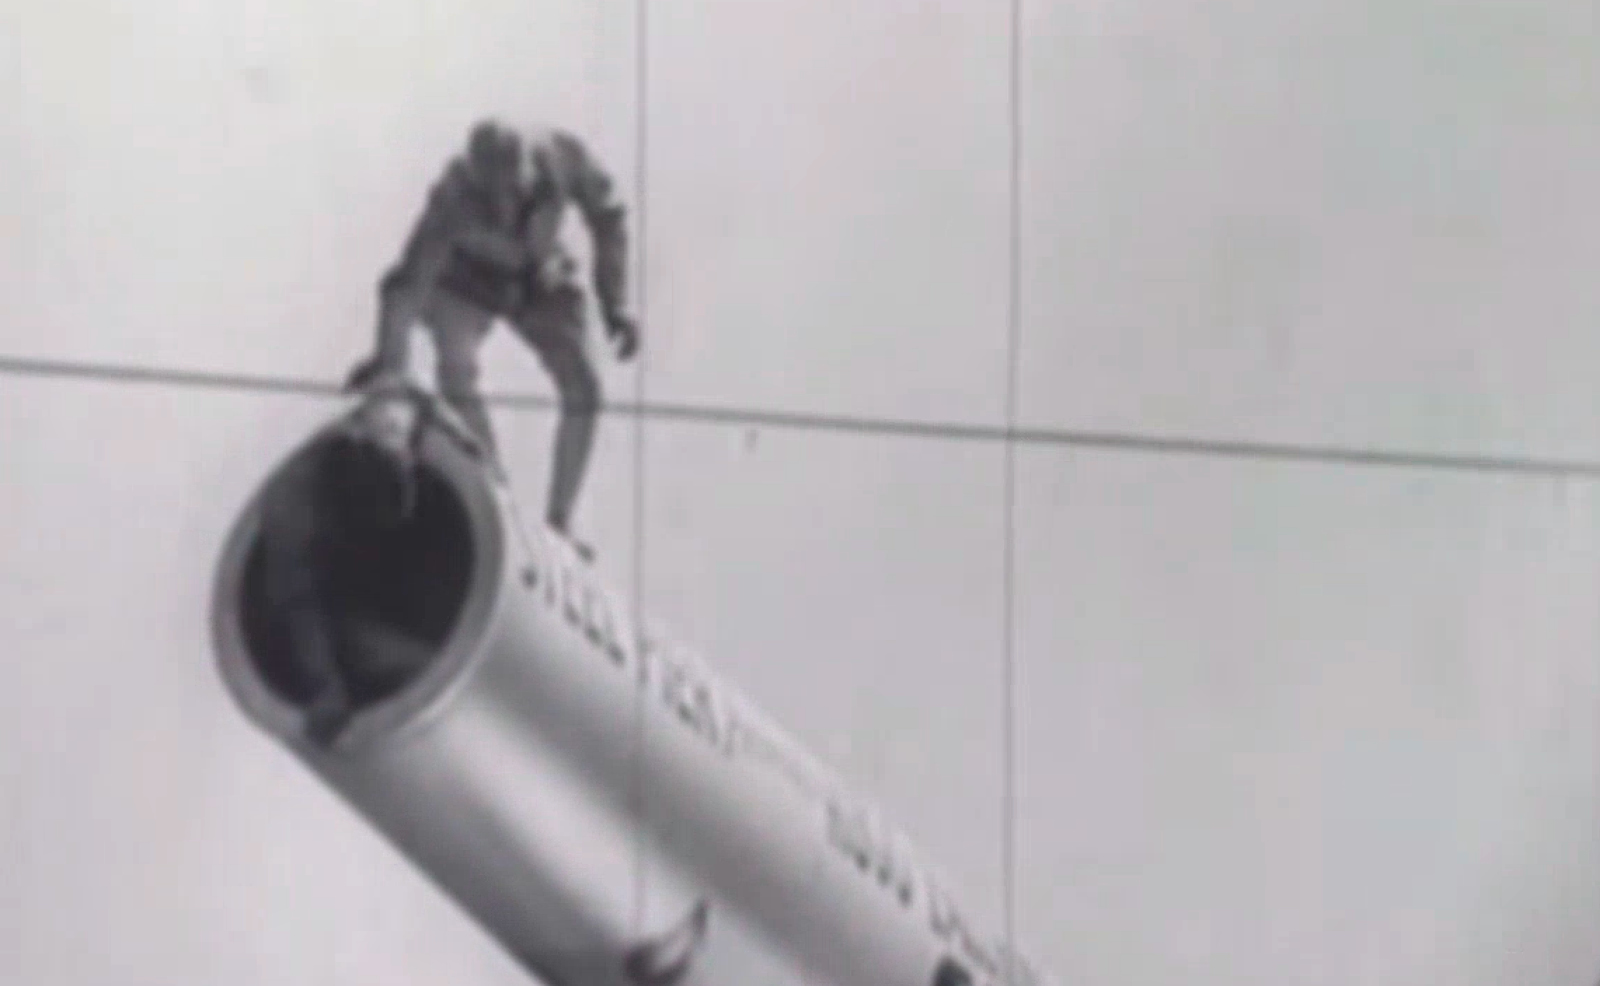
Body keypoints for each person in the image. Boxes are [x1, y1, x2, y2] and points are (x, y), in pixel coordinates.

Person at [346, 119, 639, 560]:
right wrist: (390, 366)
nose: (504, 208)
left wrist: (614, 300)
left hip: (541, 278)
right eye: (491, 200)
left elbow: (609, 216)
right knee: (455, 369)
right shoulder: (451, 198)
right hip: (467, 281)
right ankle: (492, 484)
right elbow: (407, 286)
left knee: (586, 386)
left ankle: (562, 518)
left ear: (532, 172)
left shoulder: (565, 157)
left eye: (515, 194)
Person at [255, 373, 428, 746]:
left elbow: (391, 514)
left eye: (402, 433)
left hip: (353, 617)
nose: (400, 444)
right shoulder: (311, 478)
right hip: (324, 628)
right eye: (389, 428)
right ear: (356, 423)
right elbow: (296, 593)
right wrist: (325, 686)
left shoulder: (374, 473)